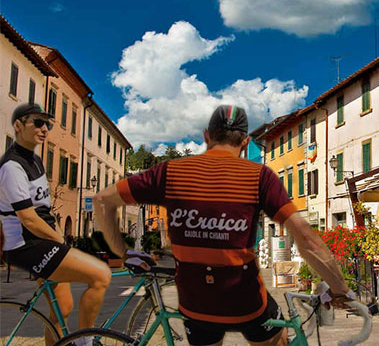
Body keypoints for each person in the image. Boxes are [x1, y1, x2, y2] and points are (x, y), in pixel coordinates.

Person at [94, 105, 355, 346]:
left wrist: (124, 253)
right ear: (245, 142)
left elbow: (102, 201)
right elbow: (306, 239)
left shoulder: (169, 172)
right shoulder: (259, 176)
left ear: (207, 136)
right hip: (246, 302)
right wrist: (340, 289)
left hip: (195, 304)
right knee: (279, 335)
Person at [0, 103, 111, 345]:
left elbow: (45, 212)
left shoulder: (36, 161)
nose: (44, 129)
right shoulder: (12, 166)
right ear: (18, 126)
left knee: (62, 309)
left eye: (47, 124)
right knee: (101, 274)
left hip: (41, 240)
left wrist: (62, 238)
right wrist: (60, 241)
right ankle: (85, 341)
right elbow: (28, 217)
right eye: (37, 123)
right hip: (25, 243)